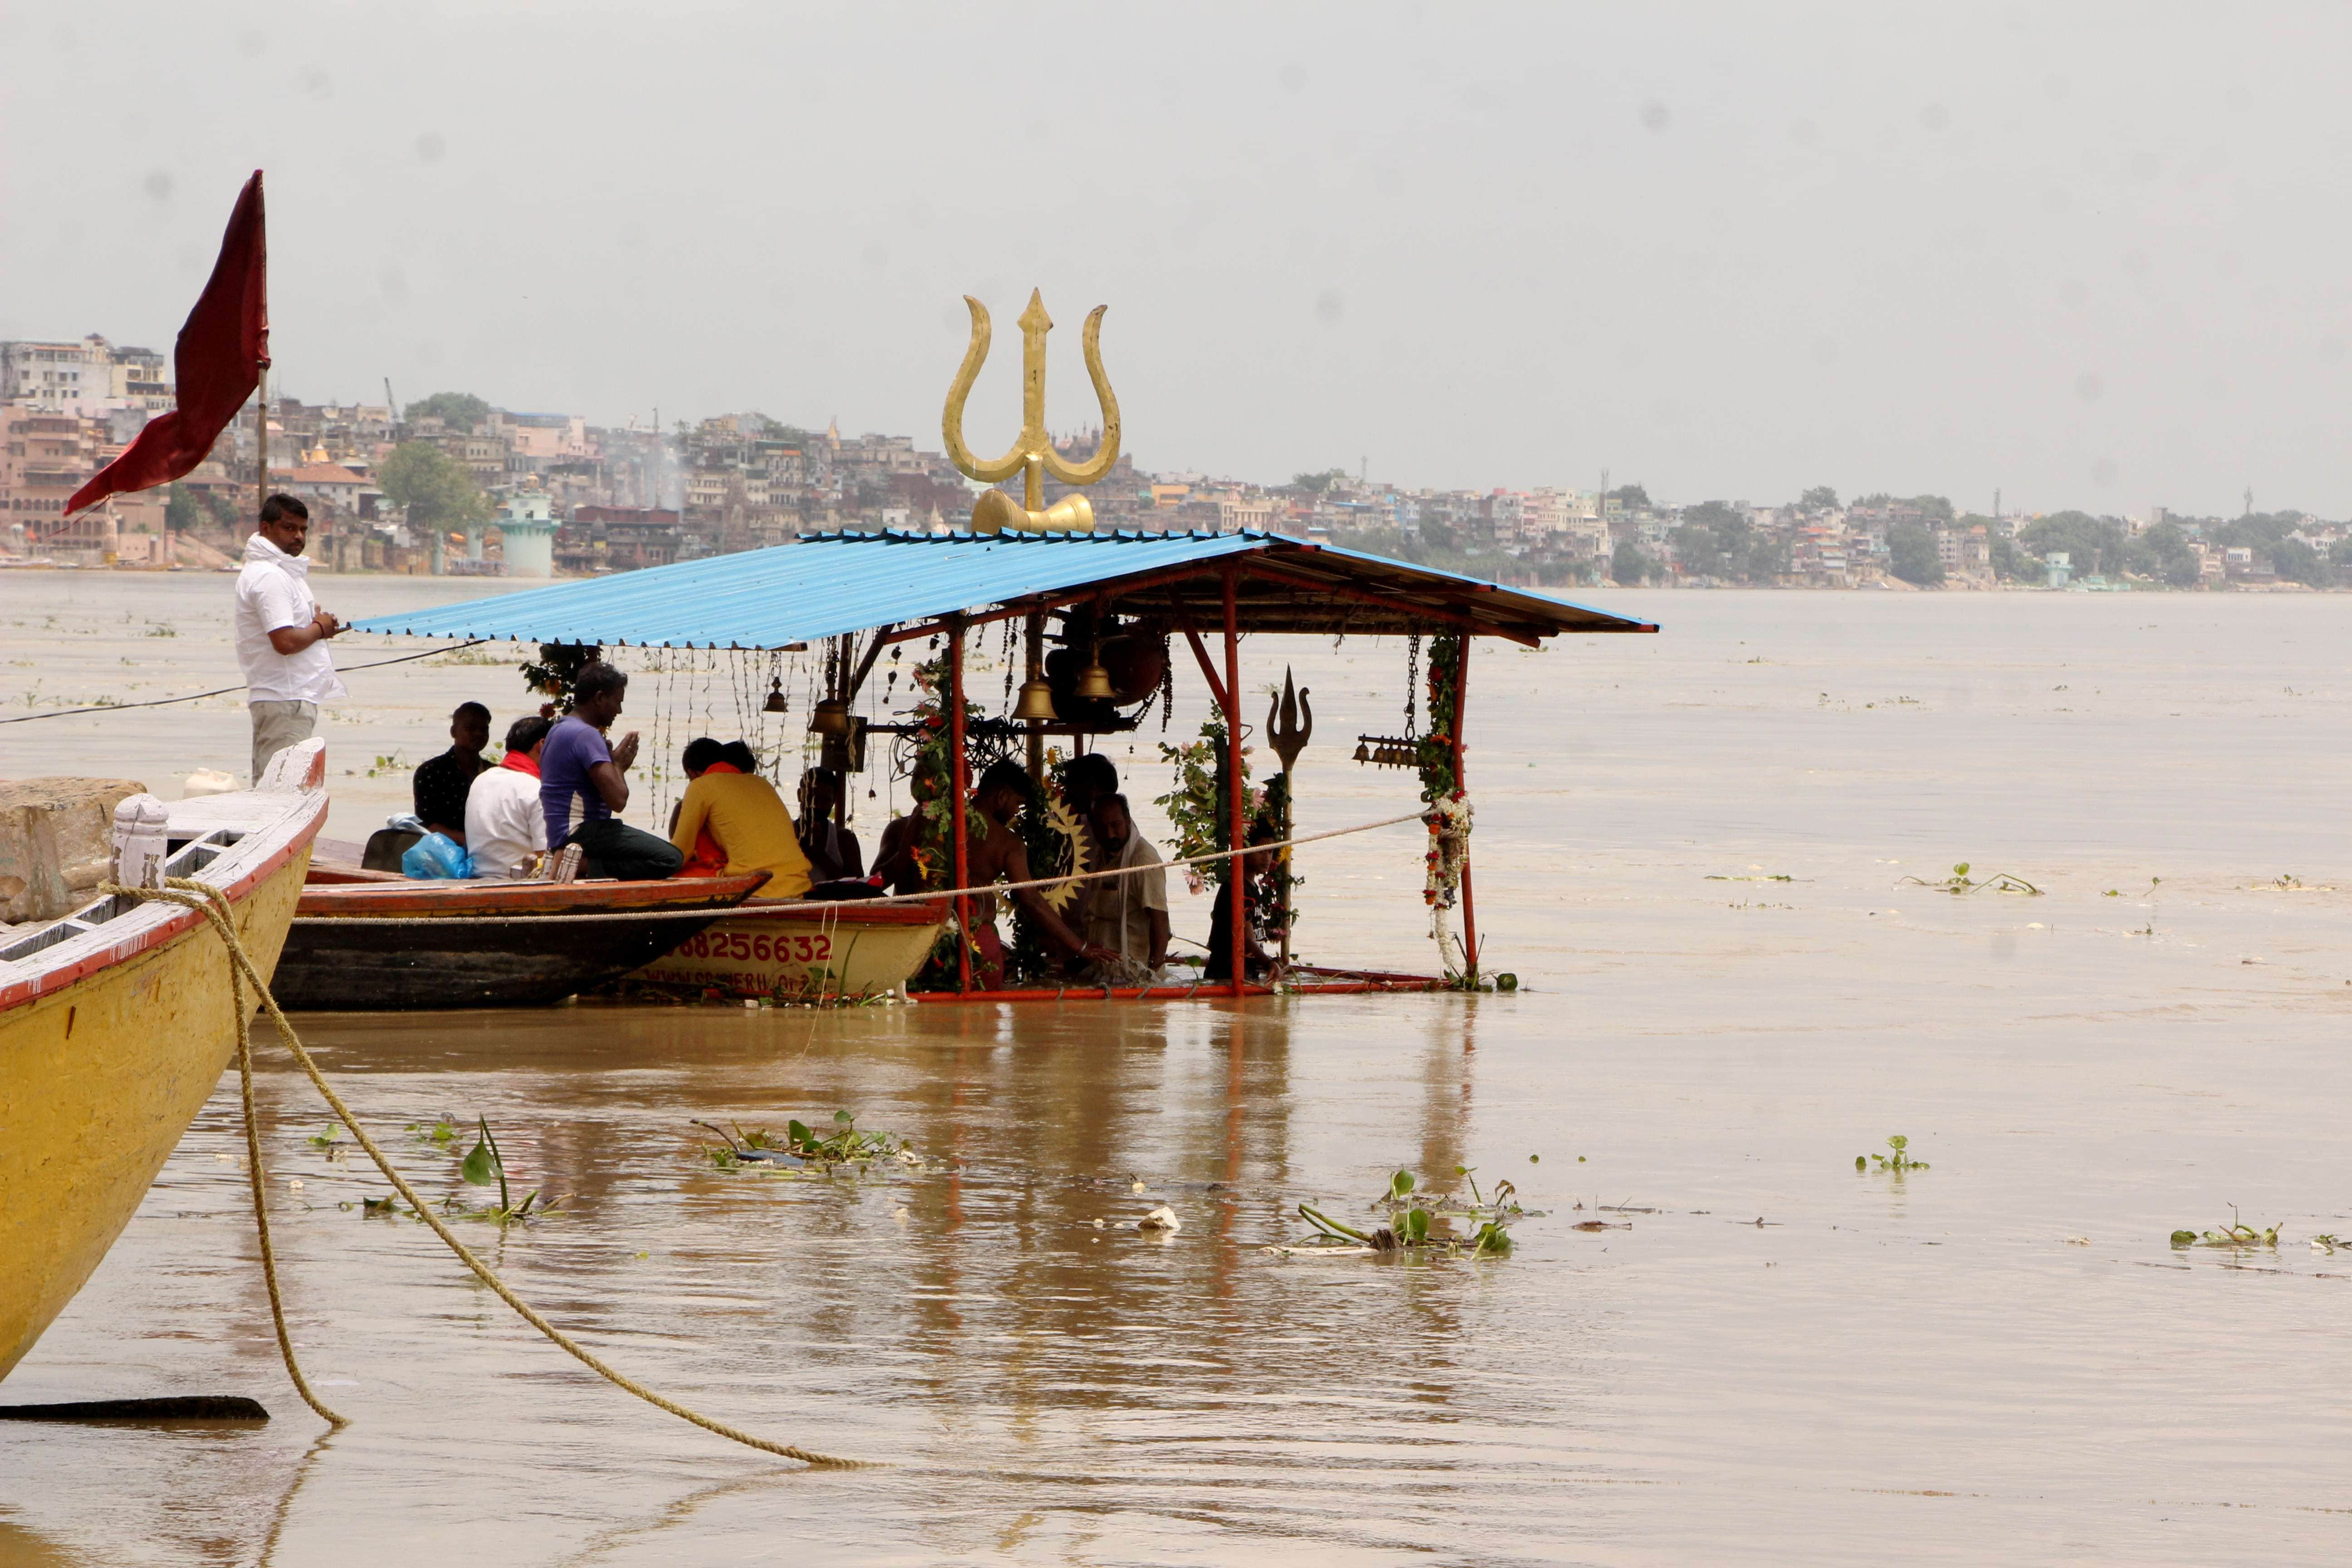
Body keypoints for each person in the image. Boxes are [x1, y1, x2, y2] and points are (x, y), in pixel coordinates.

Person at [966, 759, 1116, 988]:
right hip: (976, 939)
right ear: (1002, 797)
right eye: (1017, 804)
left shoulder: (940, 820)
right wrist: (1082, 947)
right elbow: (1032, 901)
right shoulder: (1008, 844)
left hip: (932, 931)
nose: (1016, 812)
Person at [233, 494, 345, 781]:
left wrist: (317, 625)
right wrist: (319, 629)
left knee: (277, 787)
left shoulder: (281, 572)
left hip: (286, 698)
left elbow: (293, 631)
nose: (299, 536)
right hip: (285, 698)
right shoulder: (270, 576)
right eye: (289, 528)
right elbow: (285, 642)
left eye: (303, 530)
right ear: (266, 528)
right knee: (280, 790)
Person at [539, 661, 681, 881]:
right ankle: (584, 865)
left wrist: (611, 762)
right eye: (617, 702)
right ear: (599, 698)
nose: (619, 710)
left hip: (560, 833)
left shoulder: (559, 729)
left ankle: (582, 864)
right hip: (581, 832)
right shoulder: (586, 735)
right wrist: (619, 766)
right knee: (670, 858)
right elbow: (618, 801)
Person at [668, 737, 812, 897]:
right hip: (798, 883)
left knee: (677, 877)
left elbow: (680, 854)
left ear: (692, 773)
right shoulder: (761, 783)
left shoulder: (700, 786)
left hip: (756, 887)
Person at [1083, 792, 1170, 982]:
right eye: (1102, 828)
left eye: (1115, 825)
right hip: (1103, 971)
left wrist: (1152, 974)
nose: (1110, 834)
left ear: (1128, 820)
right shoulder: (1100, 855)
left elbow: (1161, 920)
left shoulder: (1143, 859)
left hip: (1132, 975)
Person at [465, 715, 551, 879]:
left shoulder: (481, 779)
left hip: (477, 877)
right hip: (517, 882)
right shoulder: (536, 789)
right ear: (543, 745)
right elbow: (546, 859)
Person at [1203, 823, 1281, 985]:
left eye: (1270, 852)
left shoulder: (1252, 887)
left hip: (1247, 973)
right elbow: (1246, 938)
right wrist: (1268, 963)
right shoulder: (1236, 888)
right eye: (1261, 851)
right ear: (1246, 850)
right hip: (1226, 975)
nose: (1267, 858)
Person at [413, 701, 491, 843]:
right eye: (471, 728)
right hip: (441, 849)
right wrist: (470, 842)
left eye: (484, 729)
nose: (479, 734)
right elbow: (426, 824)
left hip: (486, 845)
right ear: (453, 732)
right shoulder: (430, 772)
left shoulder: (493, 772)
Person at [797, 768, 864, 883]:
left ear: (834, 800)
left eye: (826, 801)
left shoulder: (845, 839)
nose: (818, 805)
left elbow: (858, 888)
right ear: (800, 795)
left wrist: (819, 855)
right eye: (812, 798)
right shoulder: (785, 833)